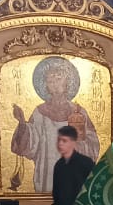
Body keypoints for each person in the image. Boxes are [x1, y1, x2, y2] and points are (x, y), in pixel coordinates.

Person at [10, 56, 101, 193]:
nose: (55, 84)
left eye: (59, 79)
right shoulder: (39, 113)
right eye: (50, 80)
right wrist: (22, 123)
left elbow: (92, 143)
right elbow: (31, 144)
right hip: (47, 173)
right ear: (45, 85)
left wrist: (79, 144)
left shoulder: (78, 112)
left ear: (67, 82)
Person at [40, 126, 96, 205]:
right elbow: (57, 199)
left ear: (73, 143)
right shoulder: (59, 166)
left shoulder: (85, 163)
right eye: (59, 140)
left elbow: (93, 190)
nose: (60, 144)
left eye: (64, 141)